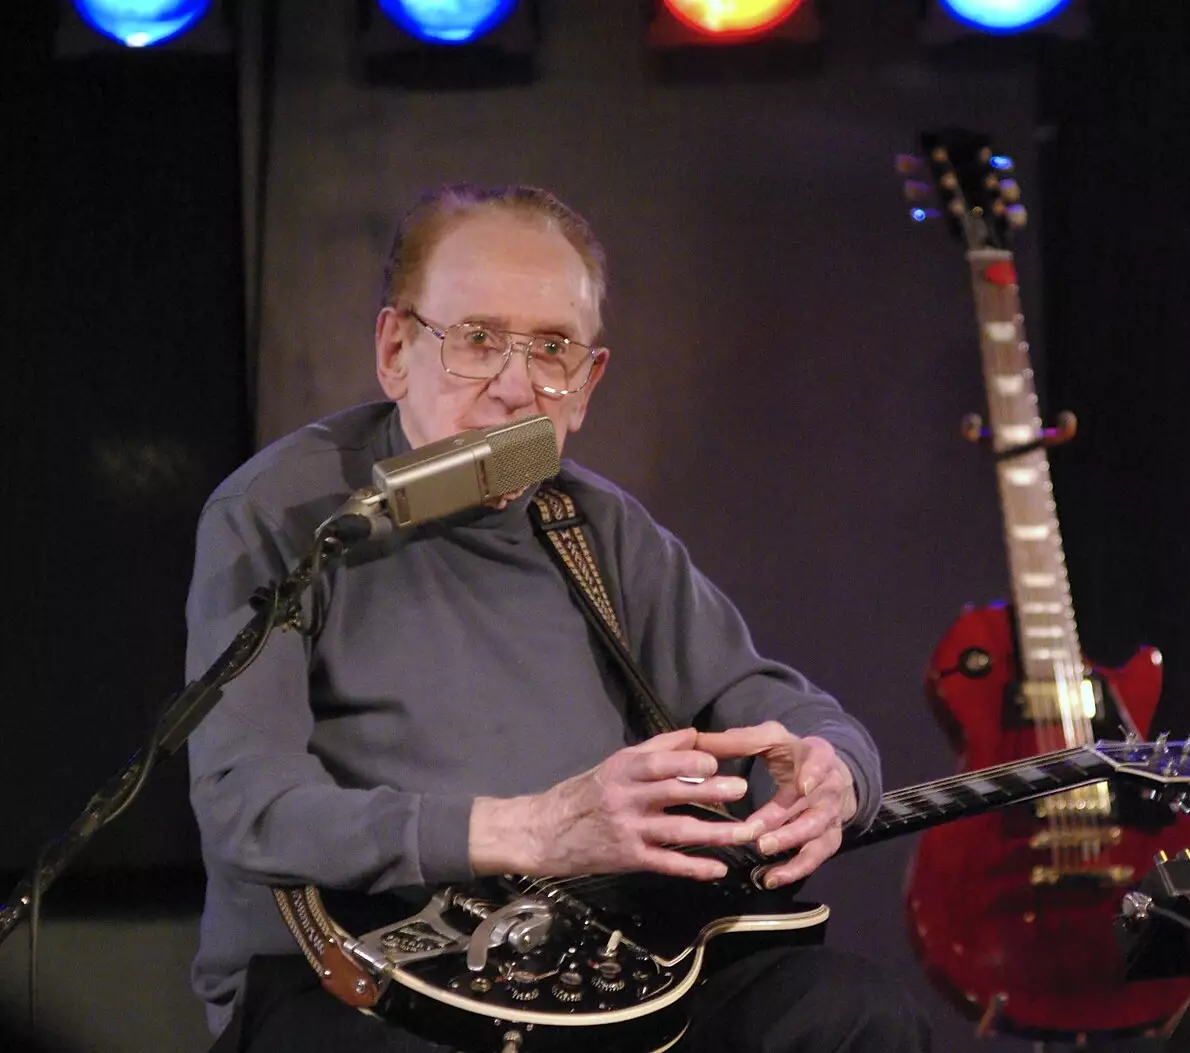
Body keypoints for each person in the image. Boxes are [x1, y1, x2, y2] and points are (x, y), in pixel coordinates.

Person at [184, 183, 929, 1052]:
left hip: (583, 962)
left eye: (552, 348)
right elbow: (249, 808)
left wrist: (836, 770)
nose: (515, 387)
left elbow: (766, 699)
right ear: (395, 351)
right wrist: (529, 830)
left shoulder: (592, 522)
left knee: (854, 1014)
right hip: (362, 972)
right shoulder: (281, 511)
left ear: (584, 385)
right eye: (476, 341)